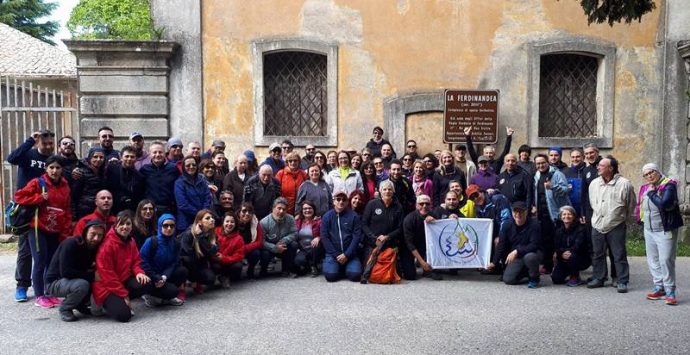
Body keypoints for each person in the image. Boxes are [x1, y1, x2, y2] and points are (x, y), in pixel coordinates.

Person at [14, 155, 72, 308]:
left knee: (51, 263)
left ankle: (49, 292)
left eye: (58, 168)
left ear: (62, 170)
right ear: (46, 168)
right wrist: (38, 197)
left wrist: (65, 233)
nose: (54, 171)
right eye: (51, 167)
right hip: (38, 229)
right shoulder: (38, 182)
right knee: (39, 261)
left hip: (56, 230)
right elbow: (19, 196)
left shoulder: (65, 185)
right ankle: (39, 295)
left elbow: (66, 210)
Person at [7, 129, 54, 301]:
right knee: (25, 250)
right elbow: (11, 159)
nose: (48, 147)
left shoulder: (51, 161)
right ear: (38, 142)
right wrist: (29, 141)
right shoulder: (28, 155)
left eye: (51, 144)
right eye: (45, 143)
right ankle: (22, 285)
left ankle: (42, 285)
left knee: (43, 251)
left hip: (45, 211)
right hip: (27, 210)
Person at [92, 211, 153, 322]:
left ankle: (120, 301)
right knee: (124, 316)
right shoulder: (107, 245)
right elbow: (108, 276)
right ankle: (105, 304)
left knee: (146, 282)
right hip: (106, 286)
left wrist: (139, 272)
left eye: (128, 224)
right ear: (115, 226)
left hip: (122, 279)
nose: (125, 227)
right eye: (121, 224)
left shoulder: (131, 241)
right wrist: (124, 295)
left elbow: (136, 261)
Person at [587, 156, 636, 293]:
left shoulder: (625, 184)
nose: (598, 167)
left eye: (601, 165)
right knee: (597, 253)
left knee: (618, 254)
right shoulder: (594, 183)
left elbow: (631, 205)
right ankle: (599, 278)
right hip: (597, 224)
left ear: (611, 168)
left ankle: (621, 281)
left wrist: (621, 218)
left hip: (616, 224)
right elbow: (593, 203)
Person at [636, 163, 683, 305]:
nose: (649, 176)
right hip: (649, 229)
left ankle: (670, 290)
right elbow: (640, 205)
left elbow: (665, 203)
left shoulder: (669, 185)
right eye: (646, 174)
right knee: (653, 259)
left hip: (665, 228)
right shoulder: (645, 187)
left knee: (666, 260)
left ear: (657, 172)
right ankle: (659, 286)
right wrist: (640, 219)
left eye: (651, 172)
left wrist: (651, 193)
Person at [46, 220, 105, 321]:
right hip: (55, 282)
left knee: (98, 278)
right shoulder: (71, 243)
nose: (96, 238)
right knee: (83, 284)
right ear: (85, 232)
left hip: (73, 279)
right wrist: (92, 276)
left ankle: (79, 304)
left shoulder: (94, 246)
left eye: (99, 235)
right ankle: (65, 308)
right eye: (93, 234)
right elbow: (66, 272)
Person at [488, 201, 542, 288]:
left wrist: (517, 251)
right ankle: (525, 272)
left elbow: (534, 245)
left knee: (530, 257)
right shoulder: (506, 225)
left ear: (526, 212)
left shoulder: (534, 225)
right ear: (512, 212)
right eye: (515, 212)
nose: (518, 214)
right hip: (517, 256)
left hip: (532, 253)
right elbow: (501, 245)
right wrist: (494, 262)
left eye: (521, 211)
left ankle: (534, 278)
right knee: (508, 280)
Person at [532, 154, 571, 273]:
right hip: (541, 213)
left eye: (543, 162)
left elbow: (566, 190)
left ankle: (561, 266)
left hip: (555, 213)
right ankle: (547, 265)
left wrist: (553, 187)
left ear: (547, 162)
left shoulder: (557, 174)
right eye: (538, 163)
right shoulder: (537, 175)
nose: (541, 165)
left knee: (558, 240)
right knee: (545, 240)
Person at [139, 214, 187, 307]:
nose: (169, 228)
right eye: (165, 225)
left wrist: (164, 277)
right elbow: (142, 261)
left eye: (172, 226)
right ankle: (149, 295)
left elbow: (174, 263)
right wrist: (155, 277)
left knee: (182, 271)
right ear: (160, 226)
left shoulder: (176, 243)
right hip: (151, 277)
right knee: (173, 292)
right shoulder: (151, 241)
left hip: (164, 276)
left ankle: (162, 296)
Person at [320, 190, 363, 282]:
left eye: (344, 200)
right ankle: (338, 267)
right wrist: (336, 255)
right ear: (333, 201)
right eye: (338, 199)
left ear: (347, 202)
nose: (341, 202)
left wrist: (347, 254)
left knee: (355, 275)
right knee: (330, 276)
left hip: (350, 254)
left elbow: (356, 237)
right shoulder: (327, 217)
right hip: (333, 255)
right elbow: (325, 237)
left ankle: (345, 268)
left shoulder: (354, 216)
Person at [361, 181, 404, 261]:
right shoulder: (372, 204)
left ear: (393, 191)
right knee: (369, 271)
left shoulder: (398, 207)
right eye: (384, 189)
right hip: (372, 244)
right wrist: (374, 238)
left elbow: (400, 228)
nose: (387, 191)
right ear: (380, 191)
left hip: (390, 244)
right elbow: (364, 224)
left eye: (390, 189)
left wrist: (387, 237)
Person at [403, 195, 442, 280]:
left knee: (433, 272)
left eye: (427, 204)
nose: (424, 206)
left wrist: (435, 222)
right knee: (410, 276)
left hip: (426, 247)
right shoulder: (409, 219)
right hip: (410, 248)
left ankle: (428, 269)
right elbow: (409, 243)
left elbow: (440, 236)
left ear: (430, 205)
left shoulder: (434, 215)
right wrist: (422, 262)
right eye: (421, 204)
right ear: (416, 205)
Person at [180, 209, 218, 294]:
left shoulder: (211, 234)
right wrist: (198, 237)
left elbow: (212, 252)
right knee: (187, 260)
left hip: (200, 263)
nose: (212, 220)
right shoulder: (189, 234)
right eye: (207, 218)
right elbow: (186, 255)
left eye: (212, 217)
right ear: (199, 222)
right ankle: (182, 286)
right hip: (185, 264)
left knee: (210, 278)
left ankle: (195, 282)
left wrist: (200, 237)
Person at [551, 206, 591, 286]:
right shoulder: (559, 231)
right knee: (556, 279)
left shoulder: (580, 229)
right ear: (561, 217)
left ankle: (575, 276)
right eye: (564, 214)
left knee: (572, 256)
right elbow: (557, 246)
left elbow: (579, 245)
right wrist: (562, 253)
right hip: (564, 258)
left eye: (569, 214)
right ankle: (569, 272)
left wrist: (569, 252)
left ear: (573, 216)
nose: (566, 216)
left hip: (579, 257)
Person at [259, 198, 297, 277]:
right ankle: (263, 270)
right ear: (273, 208)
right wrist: (274, 247)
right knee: (264, 253)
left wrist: (283, 241)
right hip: (270, 248)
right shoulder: (263, 222)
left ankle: (286, 270)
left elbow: (294, 233)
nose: (281, 211)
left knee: (293, 245)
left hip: (283, 246)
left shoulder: (290, 219)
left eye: (284, 209)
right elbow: (261, 241)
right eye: (279, 208)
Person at [140, 141, 180, 215]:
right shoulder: (144, 170)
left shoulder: (173, 168)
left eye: (160, 152)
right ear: (150, 154)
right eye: (154, 152)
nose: (157, 155)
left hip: (169, 209)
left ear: (165, 153)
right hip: (150, 210)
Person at [175, 156, 213, 232]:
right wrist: (200, 214)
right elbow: (182, 204)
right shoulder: (179, 183)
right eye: (188, 165)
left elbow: (207, 197)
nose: (191, 167)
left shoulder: (202, 180)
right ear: (183, 167)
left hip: (203, 221)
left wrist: (203, 213)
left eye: (194, 165)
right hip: (186, 222)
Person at [105, 145, 145, 214]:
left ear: (136, 158)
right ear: (121, 157)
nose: (129, 159)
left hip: (131, 211)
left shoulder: (140, 177)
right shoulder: (111, 170)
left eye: (132, 157)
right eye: (126, 156)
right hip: (113, 211)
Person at [72, 148, 107, 219]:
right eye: (95, 157)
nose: (98, 159)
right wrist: (74, 216)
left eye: (101, 157)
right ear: (90, 158)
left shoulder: (104, 173)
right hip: (84, 211)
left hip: (99, 210)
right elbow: (74, 196)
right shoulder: (80, 173)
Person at [212, 213, 245, 287]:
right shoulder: (215, 232)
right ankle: (217, 277)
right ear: (223, 222)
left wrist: (224, 258)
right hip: (215, 261)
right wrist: (216, 256)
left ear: (235, 224)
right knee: (215, 267)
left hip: (229, 262)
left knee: (238, 266)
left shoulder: (239, 238)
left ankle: (226, 276)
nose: (229, 224)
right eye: (227, 221)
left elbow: (239, 256)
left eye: (232, 222)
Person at [293, 201, 322, 277]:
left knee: (317, 245)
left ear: (314, 210)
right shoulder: (298, 221)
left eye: (310, 208)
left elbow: (325, 233)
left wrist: (319, 237)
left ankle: (313, 266)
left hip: (314, 248)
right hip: (302, 249)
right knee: (299, 261)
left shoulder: (318, 221)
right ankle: (307, 266)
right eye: (305, 209)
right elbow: (293, 235)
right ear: (302, 211)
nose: (307, 210)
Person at [236, 203, 264, 279]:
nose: (247, 214)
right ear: (239, 212)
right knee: (235, 276)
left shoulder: (255, 223)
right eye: (244, 211)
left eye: (250, 211)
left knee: (256, 253)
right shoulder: (233, 222)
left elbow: (260, 241)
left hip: (248, 249)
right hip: (235, 250)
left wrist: (245, 248)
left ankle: (251, 269)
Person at [564, 148, 587, 218]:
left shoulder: (588, 171)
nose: (575, 159)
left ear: (583, 157)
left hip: (586, 210)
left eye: (578, 157)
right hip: (569, 211)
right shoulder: (565, 172)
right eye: (573, 157)